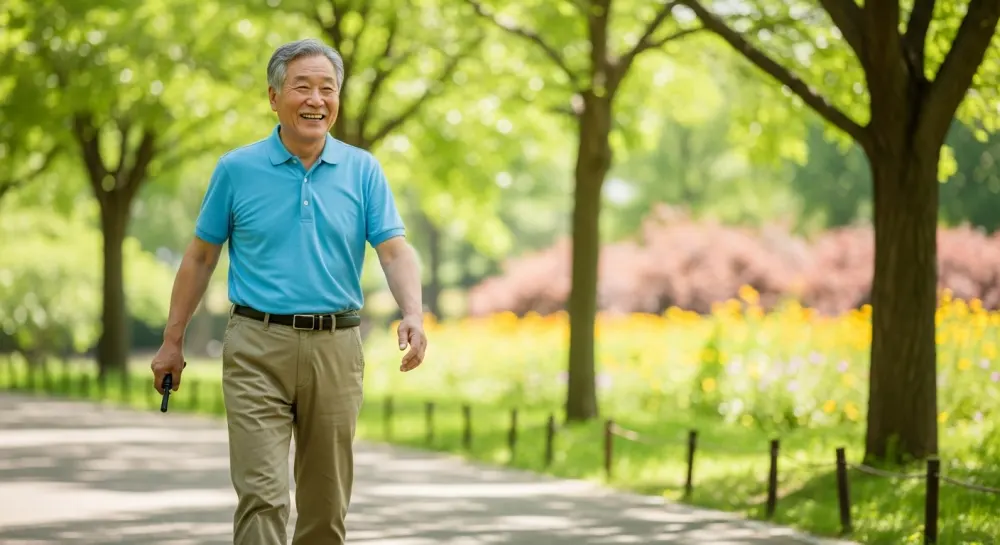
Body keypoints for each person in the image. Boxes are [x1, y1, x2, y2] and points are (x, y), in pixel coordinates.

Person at [149, 38, 427, 544]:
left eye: (328, 89)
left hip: (336, 347)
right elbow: (200, 257)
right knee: (263, 495)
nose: (316, 100)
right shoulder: (237, 169)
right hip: (257, 344)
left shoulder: (363, 170)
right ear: (274, 97)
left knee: (325, 507)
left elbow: (394, 250)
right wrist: (172, 341)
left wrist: (414, 312)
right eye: (302, 87)